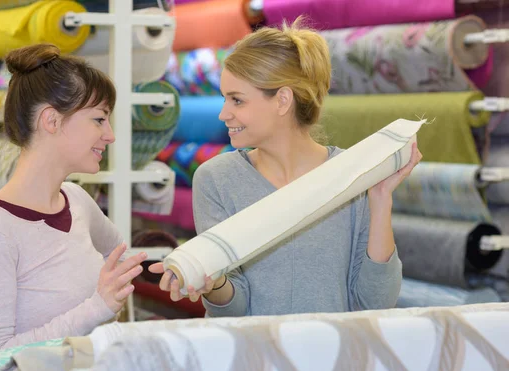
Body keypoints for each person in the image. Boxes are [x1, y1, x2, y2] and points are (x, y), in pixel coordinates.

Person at [149, 17, 422, 317]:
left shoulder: (352, 176)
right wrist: (213, 284)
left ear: (282, 100)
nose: (224, 114)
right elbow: (235, 310)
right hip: (253, 360)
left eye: (237, 101)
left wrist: (380, 200)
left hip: (330, 358)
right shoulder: (216, 180)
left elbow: (376, 304)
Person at [0, 43, 149, 360]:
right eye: (99, 119)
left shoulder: (76, 199)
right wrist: (96, 310)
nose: (110, 135)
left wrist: (179, 267)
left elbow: (119, 253)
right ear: (52, 120)